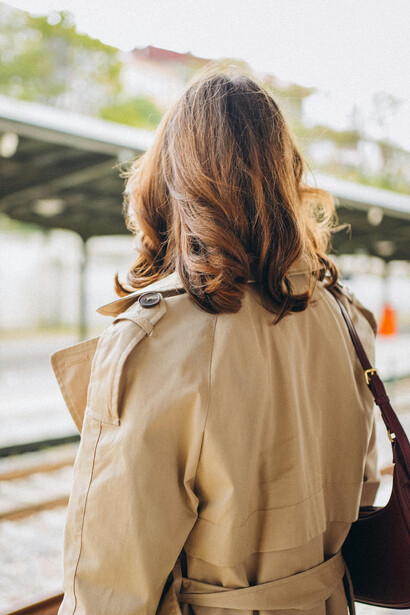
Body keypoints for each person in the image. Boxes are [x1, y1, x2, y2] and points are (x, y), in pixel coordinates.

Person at [51, 67, 380, 615]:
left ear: (172, 178)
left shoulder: (157, 340)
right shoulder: (345, 317)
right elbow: (361, 491)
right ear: (285, 175)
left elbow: (109, 584)